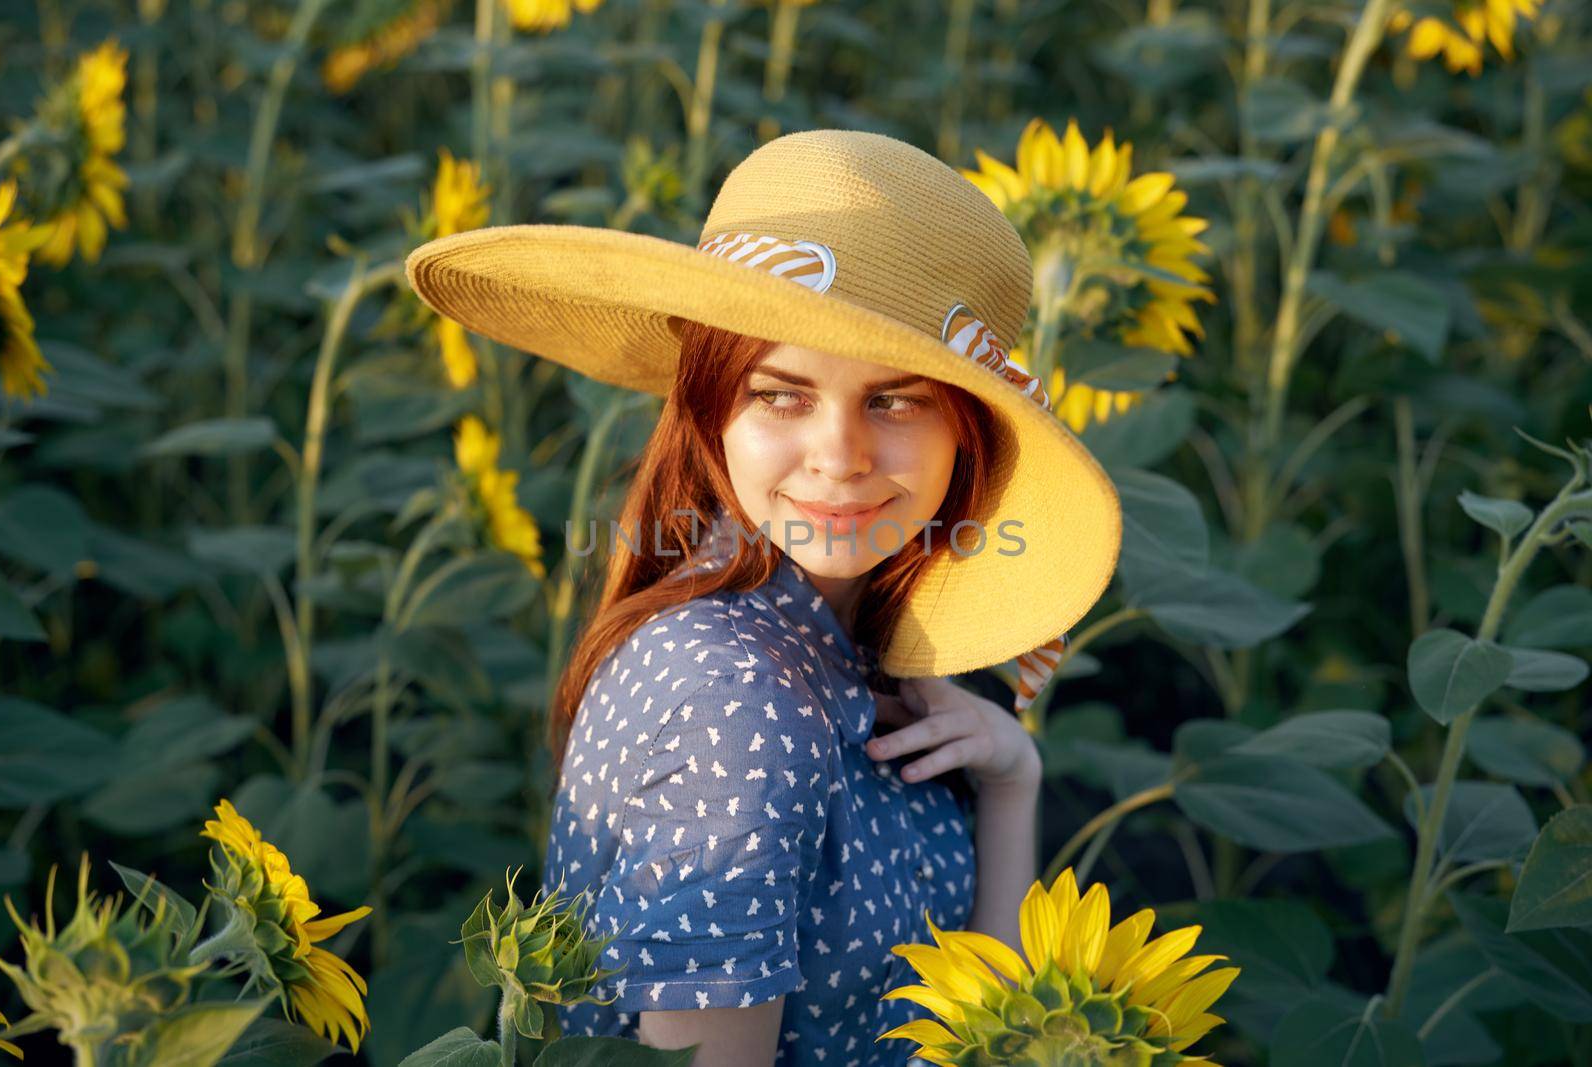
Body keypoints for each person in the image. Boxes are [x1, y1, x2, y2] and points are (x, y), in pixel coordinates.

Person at [404, 129, 1122, 1067]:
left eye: (896, 400)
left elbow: (976, 1032)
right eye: (781, 393)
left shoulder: (824, 639)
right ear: (713, 408)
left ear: (968, 434)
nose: (840, 455)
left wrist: (1010, 782)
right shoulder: (737, 706)